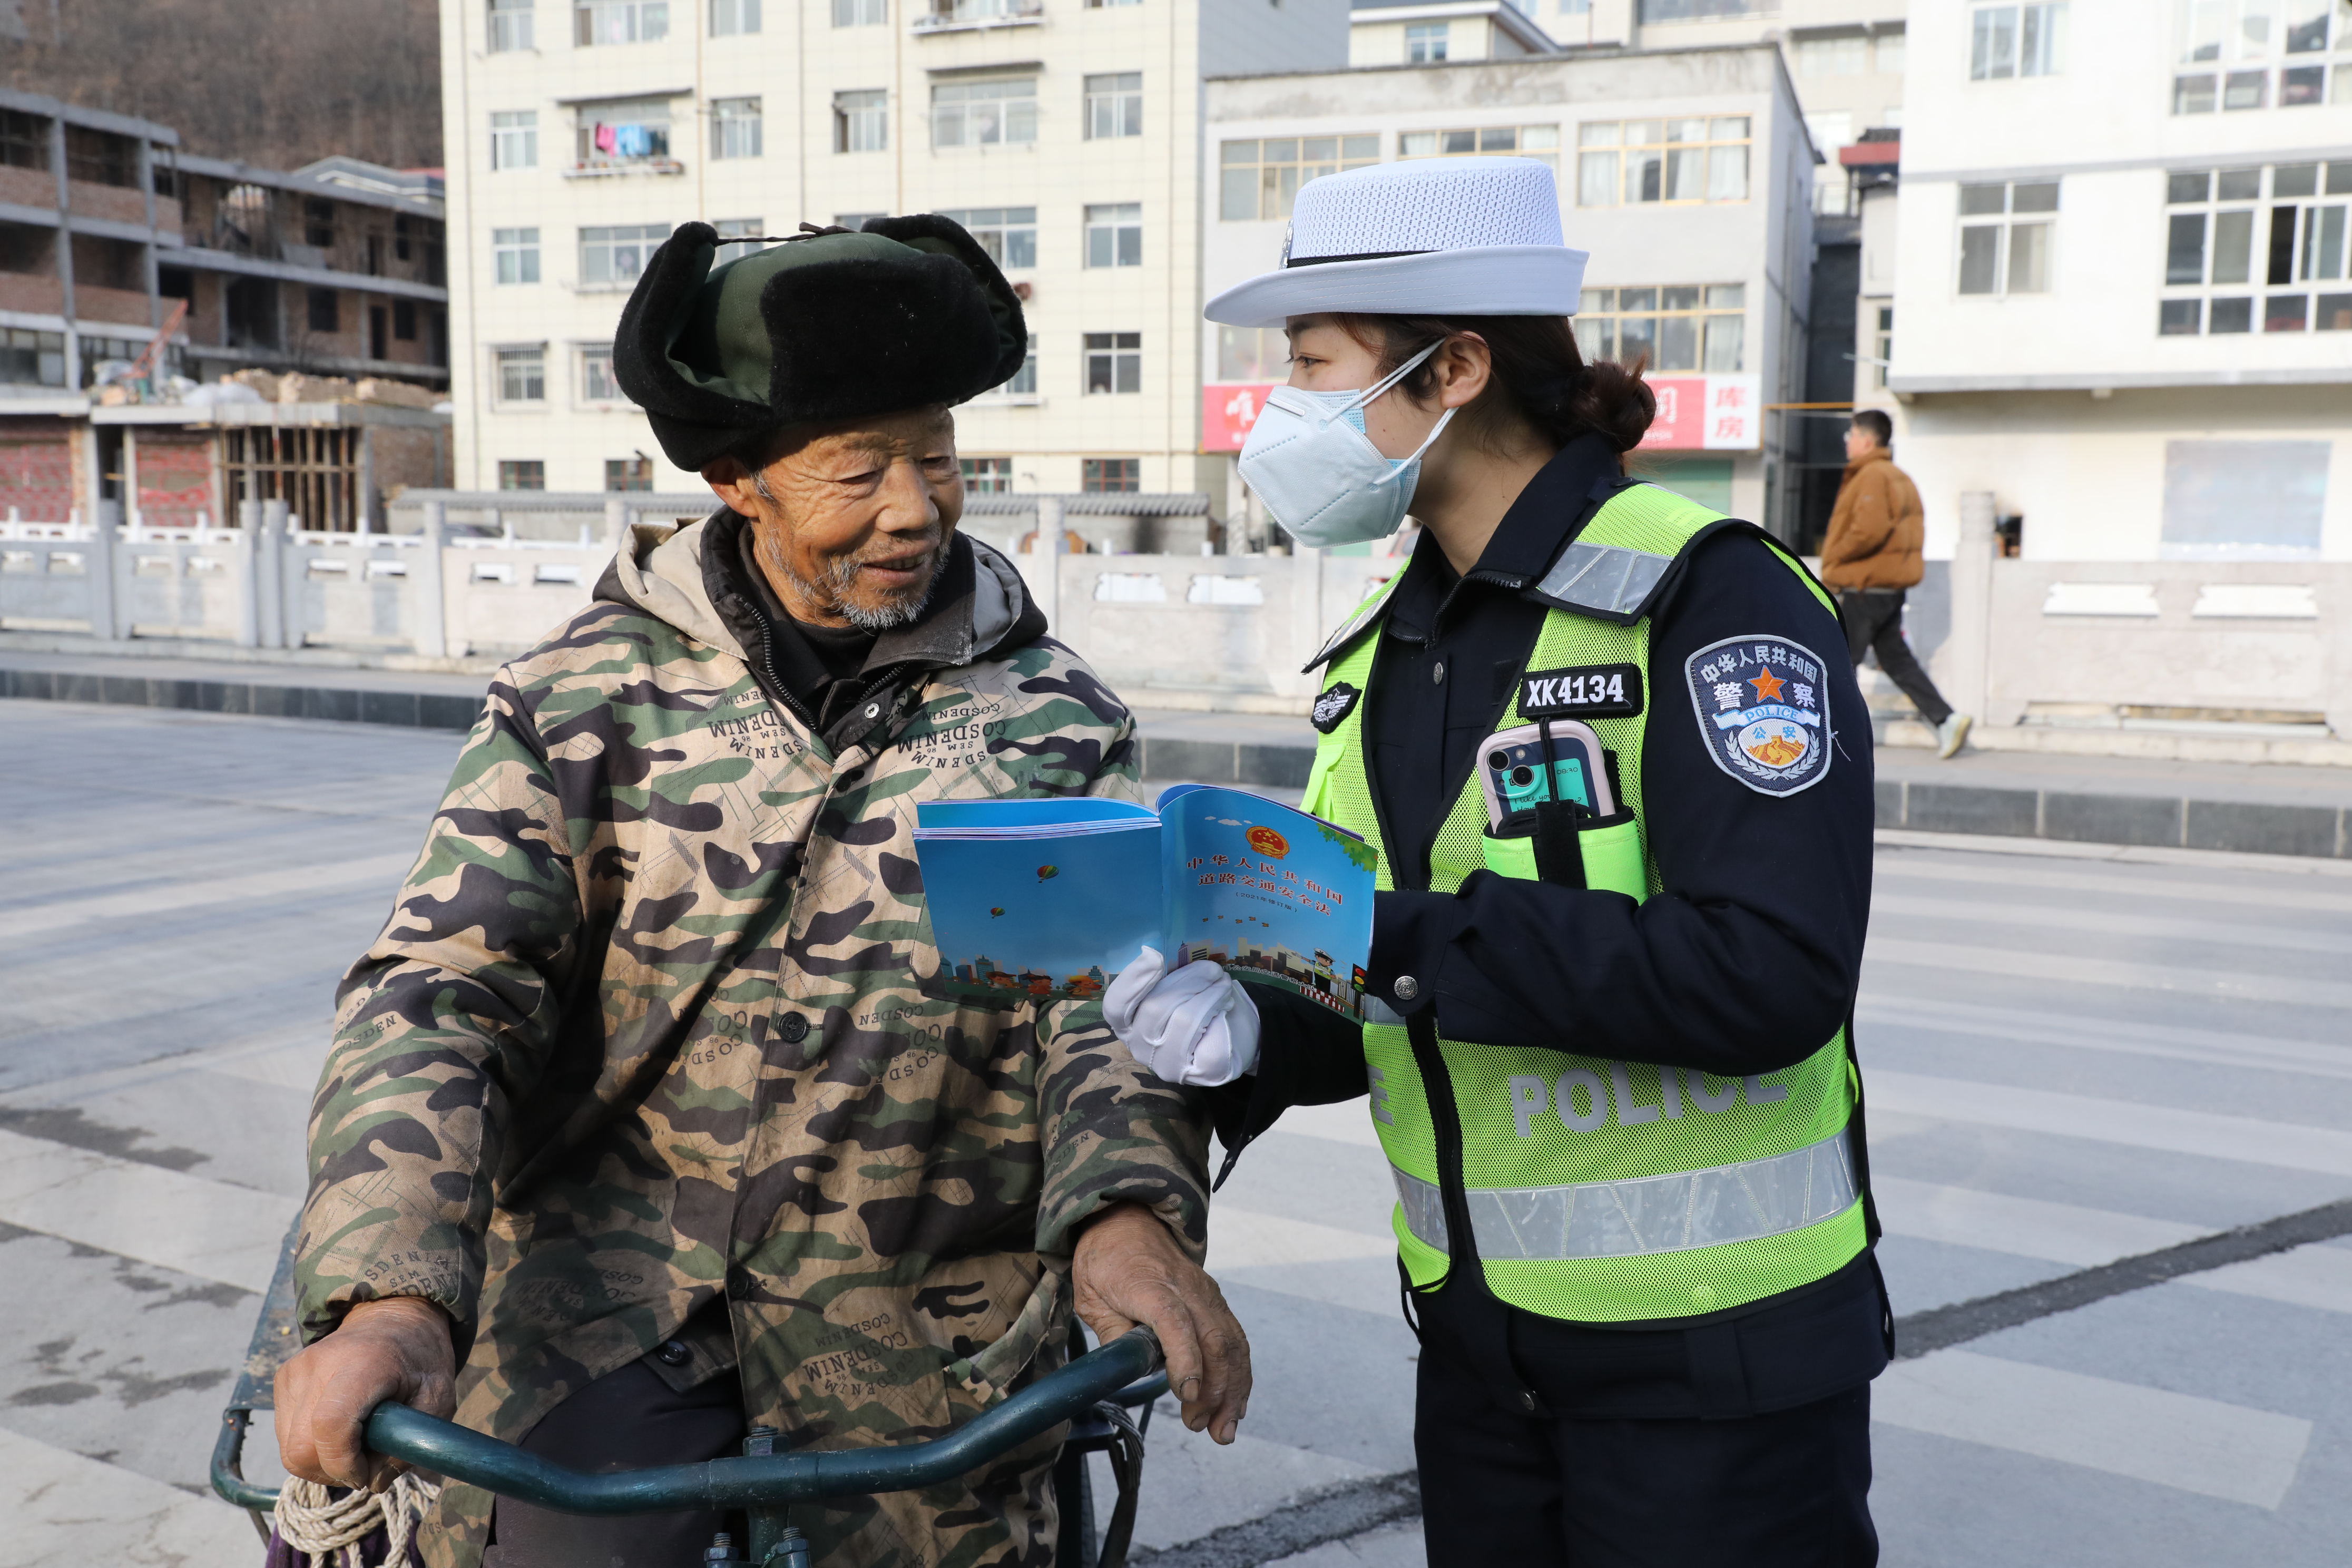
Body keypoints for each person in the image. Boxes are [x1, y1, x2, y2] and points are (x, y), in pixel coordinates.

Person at [272, 217, 1250, 1568]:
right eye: (857, 472)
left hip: (918, 1350)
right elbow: (442, 995)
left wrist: (1127, 1211)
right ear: (738, 480)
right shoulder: (578, 702)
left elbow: (1097, 1004)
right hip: (596, 1326)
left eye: (937, 461)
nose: (914, 507)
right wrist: (388, 1294)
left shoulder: (1053, 720)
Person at [1105, 158, 1888, 1566]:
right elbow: (1394, 988)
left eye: (1315, 366)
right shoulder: (1390, 640)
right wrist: (1254, 1030)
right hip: (1481, 1359)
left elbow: (1770, 975)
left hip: (1717, 1375)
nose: (1279, 413)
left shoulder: (1710, 596)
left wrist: (1381, 932)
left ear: (1454, 368)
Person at [1821, 408, 1972, 759]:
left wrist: (1835, 558)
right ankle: (1947, 719)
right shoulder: (1897, 476)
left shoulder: (1872, 476)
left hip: (1866, 586)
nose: (1848, 442)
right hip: (1888, 587)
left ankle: (1832, 736)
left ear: (1867, 440)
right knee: (1897, 660)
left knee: (1840, 660)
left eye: (1852, 435)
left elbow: (1868, 530)